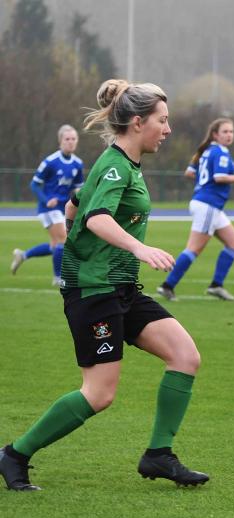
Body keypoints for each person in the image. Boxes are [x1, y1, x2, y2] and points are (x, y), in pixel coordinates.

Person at [0, 79, 209, 491]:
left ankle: (158, 456)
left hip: (121, 288)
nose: (167, 130)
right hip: (95, 293)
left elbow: (74, 204)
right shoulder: (115, 167)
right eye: (162, 121)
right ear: (137, 122)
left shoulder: (118, 165)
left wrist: (85, 246)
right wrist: (137, 248)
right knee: (99, 393)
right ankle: (13, 455)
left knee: (185, 355)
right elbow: (94, 216)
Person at [156, 118, 234, 302]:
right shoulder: (220, 152)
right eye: (225, 132)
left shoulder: (205, 150)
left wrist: (203, 181)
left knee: (233, 242)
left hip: (209, 205)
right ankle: (167, 286)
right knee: (193, 249)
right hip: (208, 204)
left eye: (231, 132)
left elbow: (189, 173)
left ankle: (216, 285)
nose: (229, 135)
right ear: (215, 134)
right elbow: (220, 176)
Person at [11, 125, 85, 287]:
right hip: (48, 208)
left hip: (63, 209)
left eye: (74, 139)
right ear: (60, 141)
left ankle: (23, 255)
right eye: (67, 139)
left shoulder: (78, 164)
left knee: (55, 246)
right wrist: (46, 200)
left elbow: (78, 188)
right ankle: (58, 278)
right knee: (63, 240)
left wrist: (80, 198)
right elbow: (34, 185)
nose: (71, 142)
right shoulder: (50, 162)